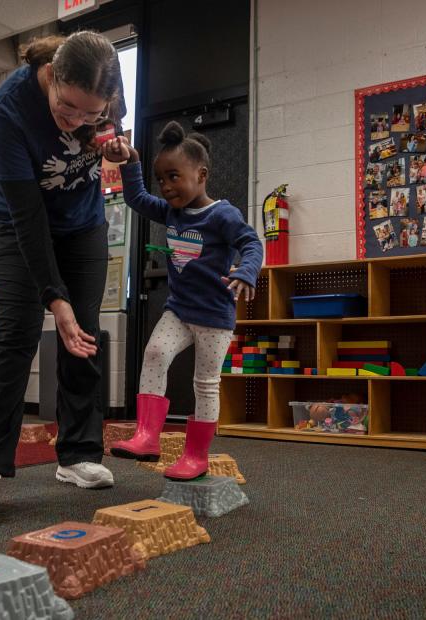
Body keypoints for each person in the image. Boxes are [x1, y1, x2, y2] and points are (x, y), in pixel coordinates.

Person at [0, 32, 126, 520]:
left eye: (91, 113)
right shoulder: (8, 109)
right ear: (51, 76)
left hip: (84, 224)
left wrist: (111, 148)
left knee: (83, 334)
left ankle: (80, 454)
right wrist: (54, 297)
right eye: (67, 108)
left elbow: (111, 135)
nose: (77, 121)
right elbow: (28, 217)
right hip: (16, 223)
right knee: (16, 332)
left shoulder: (108, 88)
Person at [102, 122, 263, 480]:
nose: (166, 186)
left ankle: (196, 455)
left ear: (201, 175)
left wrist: (245, 272)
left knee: (204, 383)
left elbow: (251, 243)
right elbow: (136, 198)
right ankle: (146, 435)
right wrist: (131, 162)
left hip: (214, 315)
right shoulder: (172, 211)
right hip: (179, 309)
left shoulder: (222, 214)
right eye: (161, 179)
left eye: (174, 176)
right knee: (155, 353)